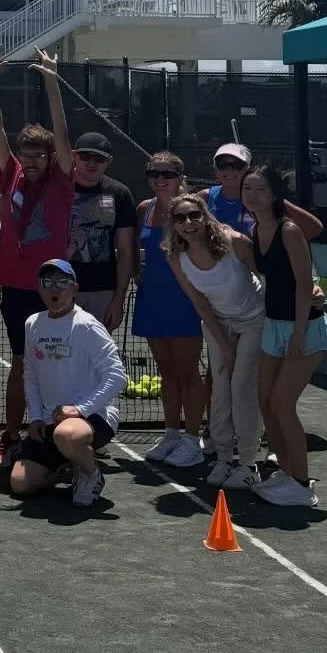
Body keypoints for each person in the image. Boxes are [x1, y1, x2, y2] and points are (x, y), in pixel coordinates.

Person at [0, 49, 75, 470]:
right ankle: (11, 434)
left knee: (57, 361)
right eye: (27, 152)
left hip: (53, 287)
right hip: (17, 287)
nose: (32, 159)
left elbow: (61, 129)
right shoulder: (10, 174)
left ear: (50, 156)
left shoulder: (62, 178)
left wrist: (52, 80)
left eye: (40, 153)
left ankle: (58, 434)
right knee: (20, 363)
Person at [243, 162, 327, 508]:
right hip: (273, 325)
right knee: (266, 400)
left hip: (305, 327)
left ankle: (302, 485)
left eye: (261, 189)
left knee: (283, 405)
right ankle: (284, 469)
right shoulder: (255, 230)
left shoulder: (290, 230)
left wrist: (298, 334)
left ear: (276, 195)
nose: (253, 195)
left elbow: (301, 285)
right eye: (248, 189)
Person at [165, 192, 267, 492]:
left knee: (242, 388)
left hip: (254, 320)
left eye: (194, 215)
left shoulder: (234, 241)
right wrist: (225, 346)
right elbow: (200, 303)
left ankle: (248, 463)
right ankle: (223, 456)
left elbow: (267, 276)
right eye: (180, 218)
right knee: (220, 389)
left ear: (205, 216)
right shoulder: (175, 256)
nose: (188, 223)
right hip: (217, 324)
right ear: (173, 224)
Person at [7, 259, 124, 507]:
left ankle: (91, 474)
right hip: (51, 421)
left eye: (62, 283)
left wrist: (81, 409)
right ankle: (66, 467)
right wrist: (37, 417)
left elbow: (117, 375)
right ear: (39, 288)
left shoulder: (86, 325)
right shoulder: (33, 323)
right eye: (47, 283)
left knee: (67, 435)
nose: (54, 290)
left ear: (74, 288)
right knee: (20, 484)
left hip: (94, 417)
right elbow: (29, 374)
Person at [132, 151, 206, 467]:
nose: (160, 180)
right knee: (167, 372)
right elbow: (137, 250)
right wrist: (137, 275)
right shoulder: (144, 209)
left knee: (188, 372)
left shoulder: (193, 210)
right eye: (153, 173)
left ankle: (193, 438)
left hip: (186, 300)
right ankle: (172, 433)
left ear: (180, 177)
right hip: (152, 298)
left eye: (168, 174)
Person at [67, 130, 138, 331]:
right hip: (61, 287)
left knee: (96, 356)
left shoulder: (120, 194)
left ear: (109, 161)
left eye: (99, 158)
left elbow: (125, 251)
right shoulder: (58, 188)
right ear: (74, 156)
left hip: (103, 291)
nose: (91, 163)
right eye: (85, 156)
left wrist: (118, 300)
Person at [207, 142, 323, 242]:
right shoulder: (204, 197)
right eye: (222, 165)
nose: (229, 170)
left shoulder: (264, 197)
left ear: (248, 168)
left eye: (237, 165)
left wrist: (280, 246)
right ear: (215, 169)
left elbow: (314, 228)